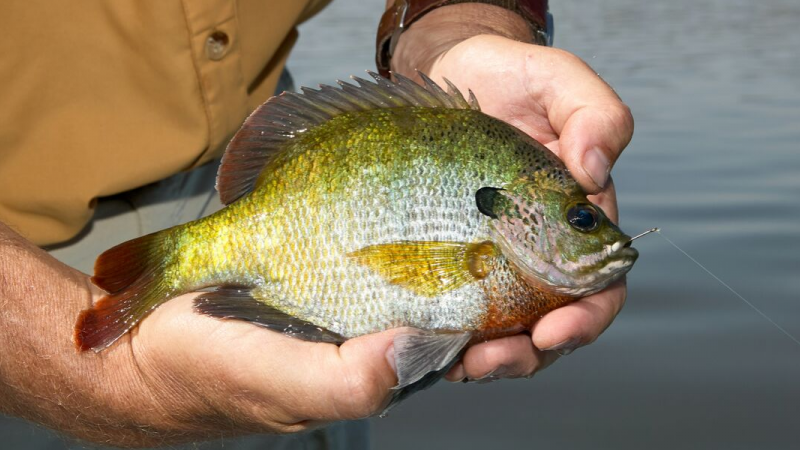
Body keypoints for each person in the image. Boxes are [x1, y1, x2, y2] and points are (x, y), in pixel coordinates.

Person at [0, 1, 633, 448]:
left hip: (240, 174)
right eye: (579, 221)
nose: (594, 234)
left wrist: (462, 23)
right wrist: (107, 372)